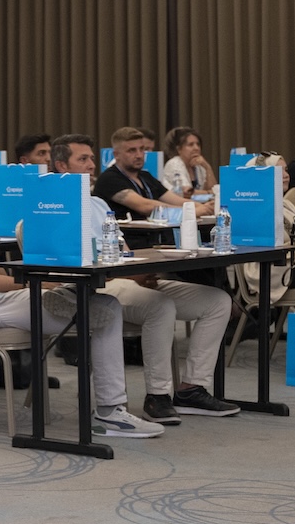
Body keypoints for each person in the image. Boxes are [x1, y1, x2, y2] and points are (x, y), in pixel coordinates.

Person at [0, 154, 159, 438]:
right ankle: (109, 413)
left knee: (103, 304)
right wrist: (28, 284)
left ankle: (110, 409)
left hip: (2, 300)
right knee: (103, 310)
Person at [50, 135, 239, 423]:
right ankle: (157, 396)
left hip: (126, 278)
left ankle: (191, 388)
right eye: (83, 159)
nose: (91, 165)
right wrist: (131, 273)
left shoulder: (97, 203)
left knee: (217, 301)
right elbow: (69, 262)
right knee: (159, 305)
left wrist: (141, 270)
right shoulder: (51, 207)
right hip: (97, 287)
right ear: (62, 166)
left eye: (91, 158)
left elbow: (122, 250)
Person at [94, 127, 214, 221]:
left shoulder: (145, 177)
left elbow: (176, 200)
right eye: (132, 150)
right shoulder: (109, 178)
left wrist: (202, 207)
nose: (139, 155)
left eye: (142, 149)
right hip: (128, 240)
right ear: (116, 155)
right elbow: (145, 206)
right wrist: (191, 211)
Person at [160, 127, 214, 199]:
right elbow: (187, 193)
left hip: (198, 204)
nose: (196, 148)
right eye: (191, 145)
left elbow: (213, 189)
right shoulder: (174, 163)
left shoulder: (199, 165)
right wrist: (209, 193)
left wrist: (207, 167)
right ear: (179, 149)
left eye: (198, 144)